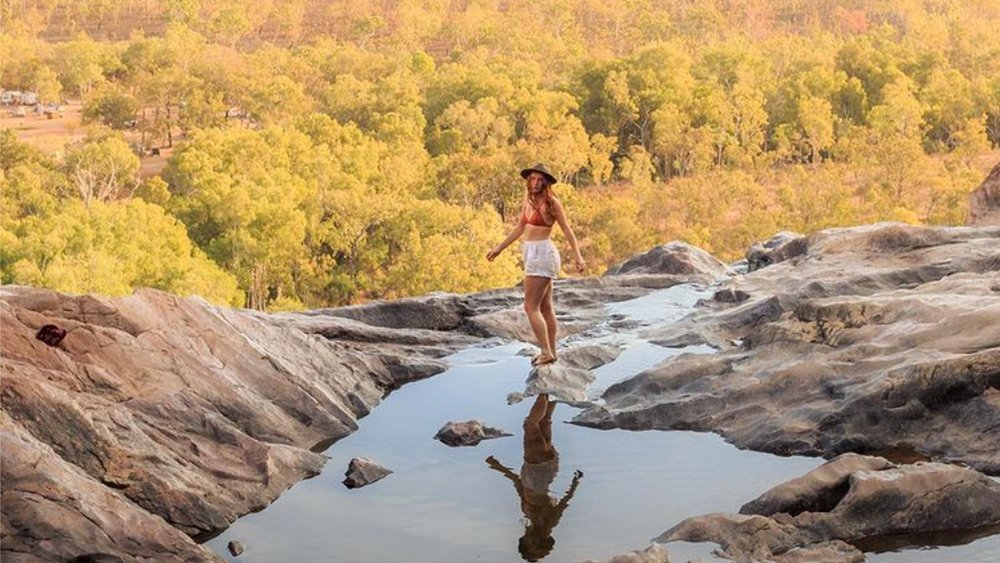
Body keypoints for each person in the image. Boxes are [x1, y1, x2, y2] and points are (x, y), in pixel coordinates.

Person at [486, 163, 585, 366]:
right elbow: (520, 227)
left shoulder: (552, 203)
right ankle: (552, 352)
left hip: (543, 254)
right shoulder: (528, 201)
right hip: (531, 253)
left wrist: (578, 256)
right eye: (532, 179)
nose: (536, 182)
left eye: (540, 179)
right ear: (528, 180)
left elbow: (567, 230)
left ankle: (546, 351)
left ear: (546, 182)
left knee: (530, 307)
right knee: (546, 307)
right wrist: (499, 248)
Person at [486, 394, 583, 562]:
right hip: (538, 467)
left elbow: (519, 484)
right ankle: (544, 390)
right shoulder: (546, 522)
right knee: (530, 424)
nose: (527, 539)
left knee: (544, 421)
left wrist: (498, 466)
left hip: (543, 468)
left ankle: (552, 389)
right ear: (537, 542)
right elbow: (564, 503)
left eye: (526, 543)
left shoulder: (530, 517)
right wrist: (575, 483)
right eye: (530, 544)